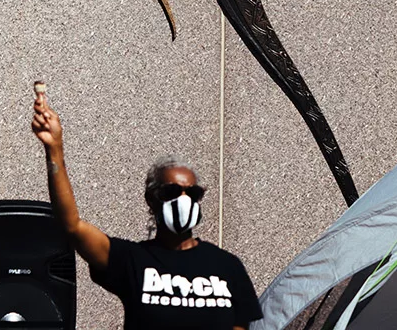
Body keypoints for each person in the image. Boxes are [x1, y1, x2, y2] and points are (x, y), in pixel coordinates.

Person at [31, 90, 263, 330]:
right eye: (172, 192)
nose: (183, 200)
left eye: (192, 193)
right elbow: (73, 226)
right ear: (152, 199)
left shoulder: (227, 266)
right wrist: (55, 149)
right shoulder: (133, 260)